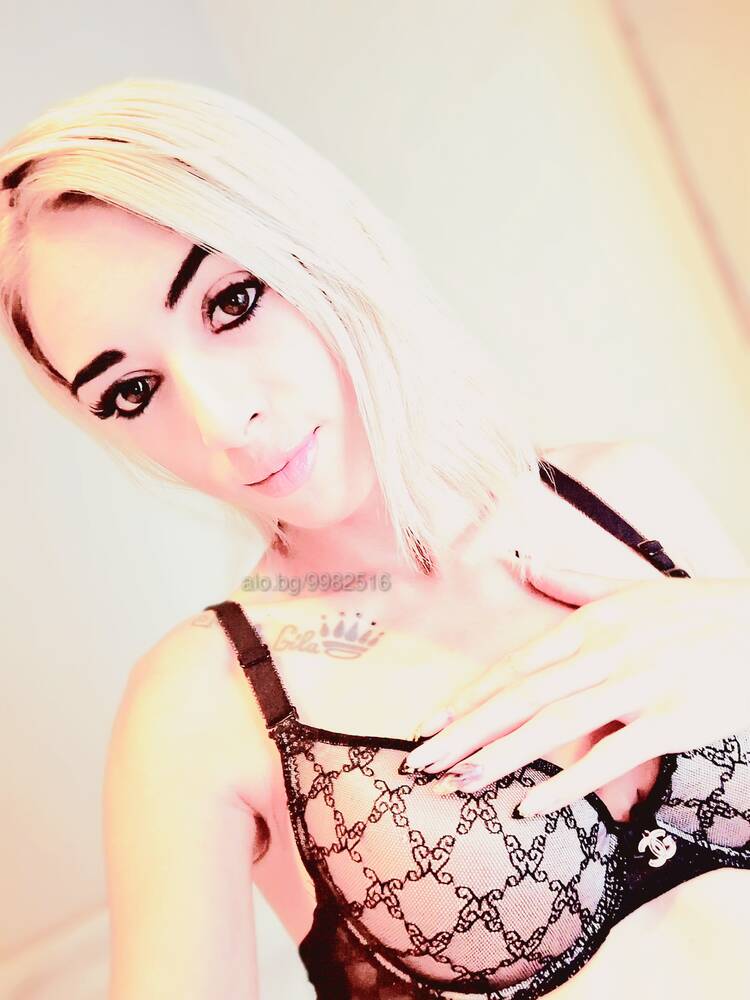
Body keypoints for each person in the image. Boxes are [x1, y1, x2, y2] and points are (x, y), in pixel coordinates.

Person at [1, 77, 748, 1000]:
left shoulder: (632, 494)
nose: (223, 421)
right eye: (132, 391)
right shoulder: (200, 707)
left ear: (315, 243)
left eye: (232, 301)